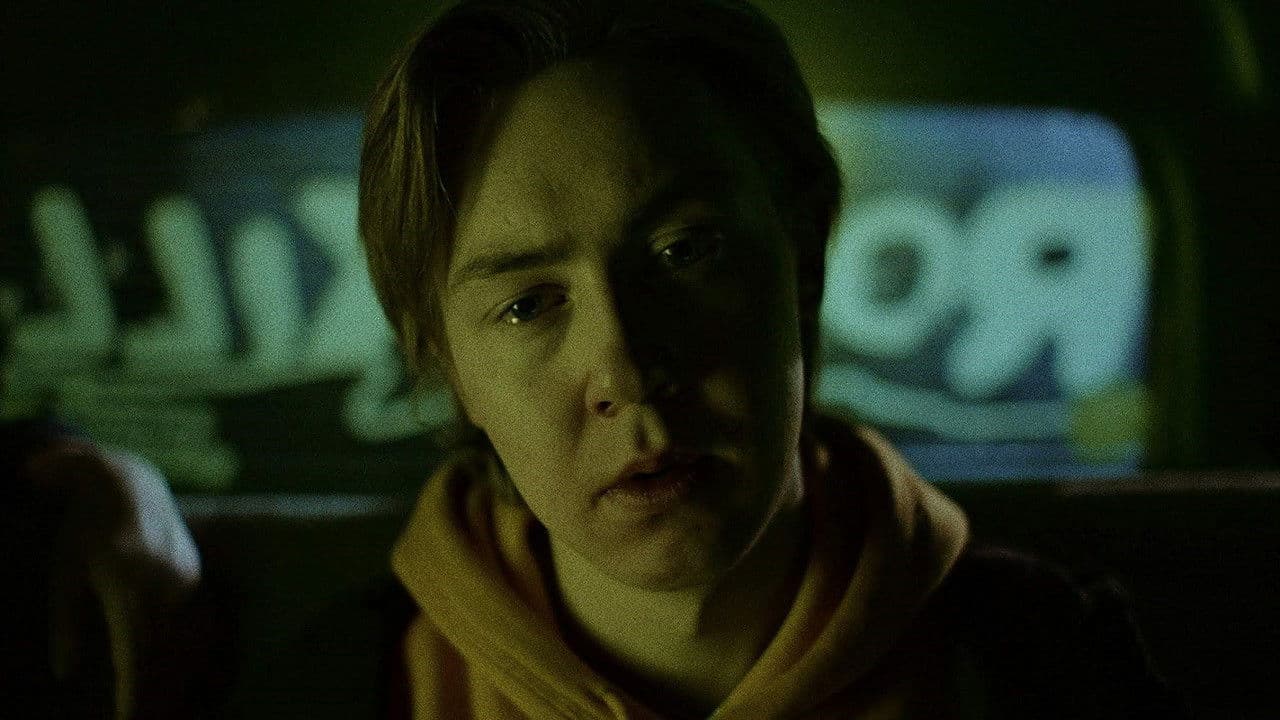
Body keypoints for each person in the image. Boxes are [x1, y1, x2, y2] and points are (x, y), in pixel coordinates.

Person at [358, 1, 1186, 718]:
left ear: (805, 257)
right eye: (526, 306)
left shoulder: (1051, 667)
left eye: (685, 251)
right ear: (446, 365)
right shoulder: (351, 688)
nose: (627, 373)